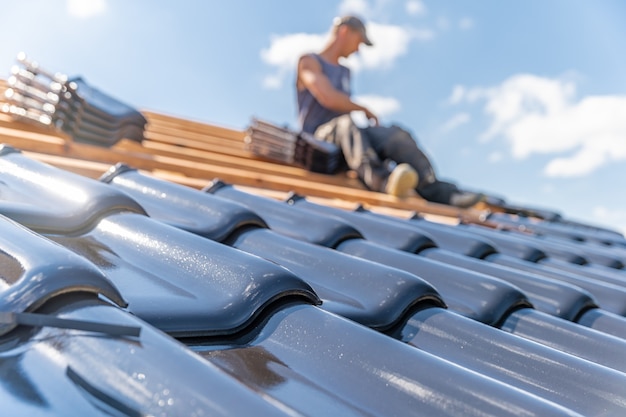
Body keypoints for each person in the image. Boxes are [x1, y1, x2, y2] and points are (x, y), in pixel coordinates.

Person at [296, 15, 483, 208]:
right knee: (346, 124)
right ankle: (384, 182)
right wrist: (364, 109)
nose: (357, 49)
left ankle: (438, 190)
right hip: (319, 142)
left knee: (395, 135)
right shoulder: (309, 62)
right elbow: (328, 97)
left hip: (350, 141)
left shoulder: (345, 71)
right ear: (344, 31)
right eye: (358, 41)